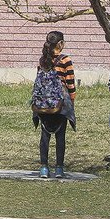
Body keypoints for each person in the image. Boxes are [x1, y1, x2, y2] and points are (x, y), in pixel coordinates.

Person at [33, 30, 75, 178]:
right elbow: (70, 84)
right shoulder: (65, 60)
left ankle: (44, 167)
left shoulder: (42, 60)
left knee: (45, 135)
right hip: (60, 103)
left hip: (43, 104)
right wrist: (72, 102)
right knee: (60, 136)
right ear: (60, 44)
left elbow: (39, 81)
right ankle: (59, 168)